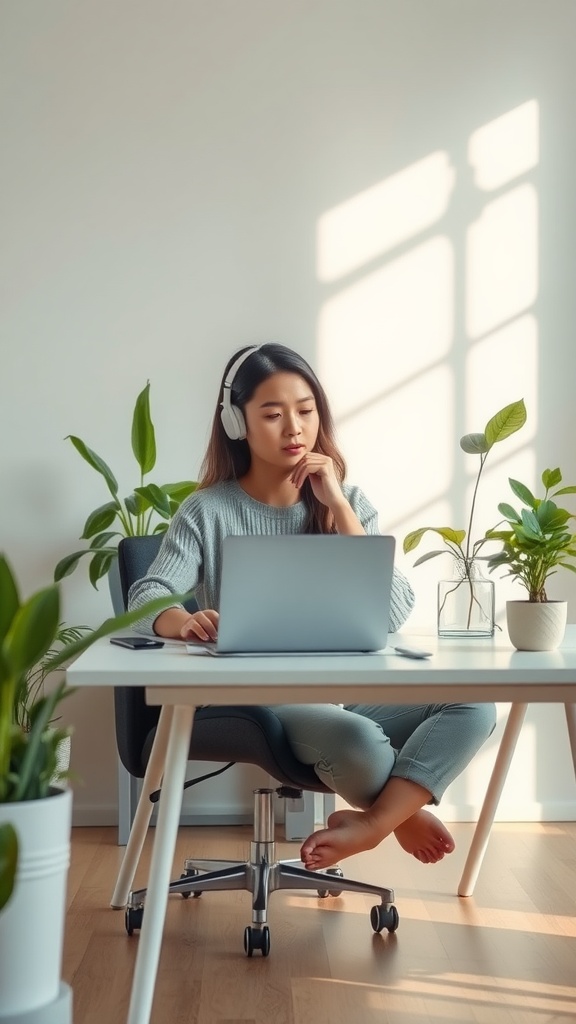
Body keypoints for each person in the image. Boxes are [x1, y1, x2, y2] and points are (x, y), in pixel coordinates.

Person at [129, 343, 496, 871]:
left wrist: (340, 507)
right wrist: (184, 620)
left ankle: (370, 824)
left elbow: (391, 612)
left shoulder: (347, 501)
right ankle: (402, 815)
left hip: (344, 697)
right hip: (255, 701)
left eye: (305, 410)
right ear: (238, 424)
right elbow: (144, 598)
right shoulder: (205, 511)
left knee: (475, 705)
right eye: (273, 415)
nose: (294, 428)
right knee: (358, 744)